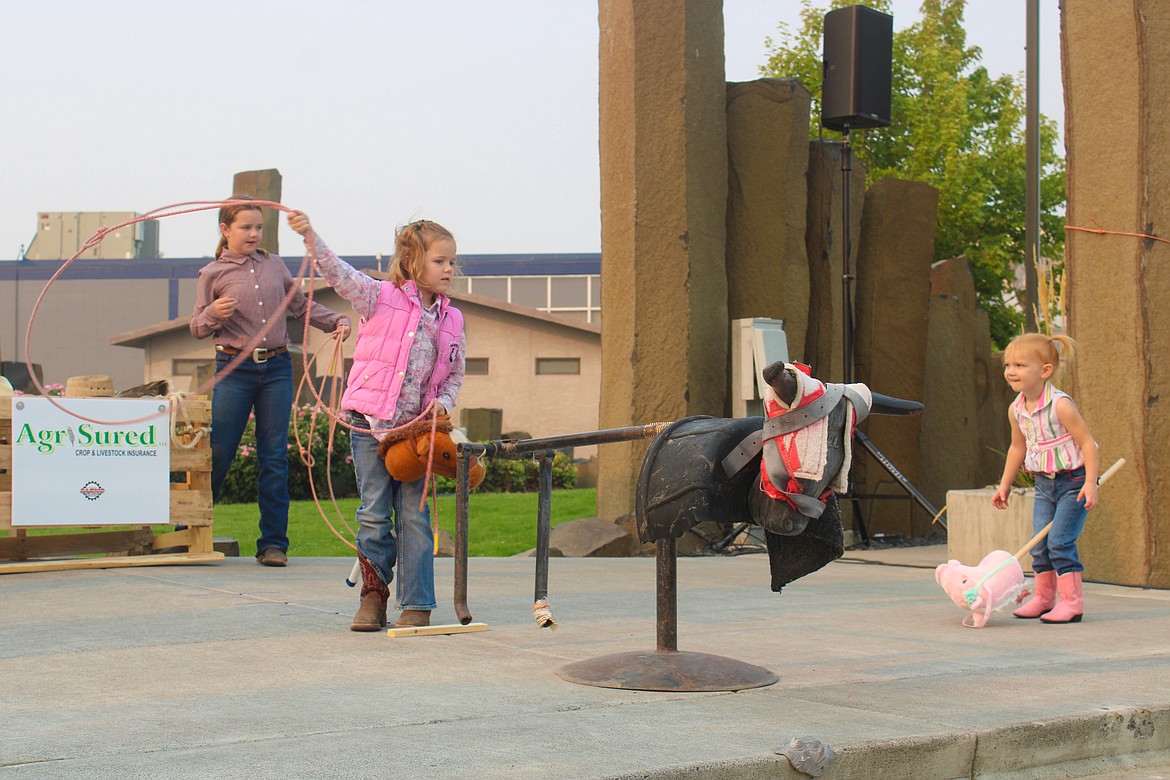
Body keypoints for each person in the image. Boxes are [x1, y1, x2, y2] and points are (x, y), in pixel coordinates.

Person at [287, 209, 466, 632]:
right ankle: (373, 595)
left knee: (415, 514)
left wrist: (444, 400)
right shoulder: (377, 296)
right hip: (369, 422)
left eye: (451, 261)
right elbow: (339, 273)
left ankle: (417, 602)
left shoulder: (452, 318)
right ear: (412, 263)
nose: (449, 269)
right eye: (440, 261)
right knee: (374, 512)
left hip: (415, 432)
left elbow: (456, 372)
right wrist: (311, 236)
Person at [190, 200, 351, 567]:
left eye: (258, 228)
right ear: (225, 230)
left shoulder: (274, 265)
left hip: (277, 368)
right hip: (234, 368)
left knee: (274, 456)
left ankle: (273, 544)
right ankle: (191, 531)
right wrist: (213, 313)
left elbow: (299, 306)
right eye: (245, 227)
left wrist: (335, 320)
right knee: (219, 452)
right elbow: (198, 327)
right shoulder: (212, 273)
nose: (253, 234)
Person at [992, 332, 1099, 623]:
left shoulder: (1061, 405)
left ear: (1045, 371)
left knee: (1060, 542)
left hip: (1073, 482)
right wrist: (1005, 485)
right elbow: (1017, 447)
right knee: (1039, 544)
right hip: (1044, 485)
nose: (1011, 371)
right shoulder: (1016, 410)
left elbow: (1088, 443)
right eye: (1007, 365)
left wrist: (1091, 482)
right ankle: (1043, 598)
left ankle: (1072, 603)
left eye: (1020, 365)